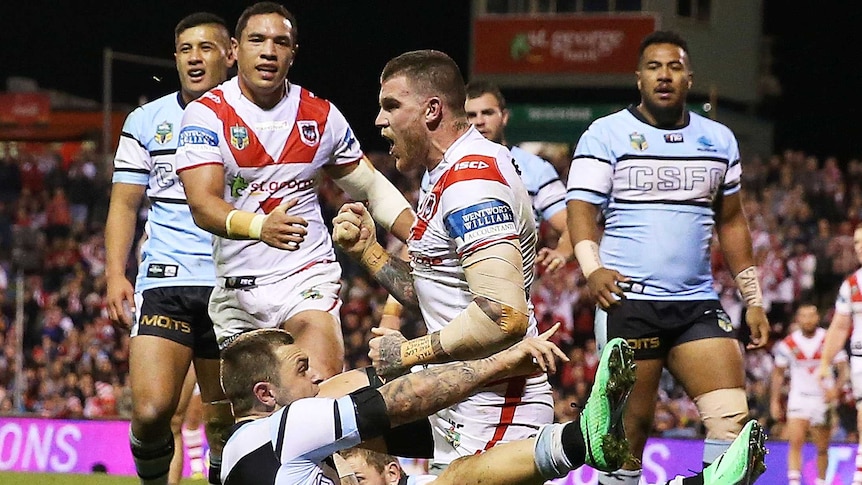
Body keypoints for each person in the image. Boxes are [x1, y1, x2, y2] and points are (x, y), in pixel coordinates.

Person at [565, 30, 771, 485]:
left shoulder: (719, 140)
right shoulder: (605, 134)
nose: (664, 75)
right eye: (654, 67)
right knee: (627, 434)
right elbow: (580, 209)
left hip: (696, 302)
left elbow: (733, 221)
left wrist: (752, 298)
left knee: (733, 424)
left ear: (689, 78)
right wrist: (592, 268)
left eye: (674, 67)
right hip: (628, 303)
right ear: (638, 79)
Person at [332, 49, 552, 470]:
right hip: (460, 399)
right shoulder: (442, 174)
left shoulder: (472, 182)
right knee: (322, 416)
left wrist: (409, 352)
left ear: (432, 110)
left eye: (391, 106)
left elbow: (504, 315)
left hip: (497, 408)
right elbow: (442, 292)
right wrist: (370, 253)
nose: (380, 120)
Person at [175, 2, 414, 379]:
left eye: (280, 42)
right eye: (257, 40)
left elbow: (372, 188)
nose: (268, 51)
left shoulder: (320, 115)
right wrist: (259, 228)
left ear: (293, 53)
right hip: (237, 294)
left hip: (305, 279)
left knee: (315, 393)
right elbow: (203, 205)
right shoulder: (206, 115)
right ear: (235, 51)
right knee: (249, 426)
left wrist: (422, 236)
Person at [218, 328, 766, 485]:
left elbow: (364, 381)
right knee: (460, 480)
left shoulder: (240, 457)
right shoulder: (287, 427)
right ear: (266, 394)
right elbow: (398, 400)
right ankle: (582, 440)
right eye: (301, 371)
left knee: (458, 476)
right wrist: (498, 365)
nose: (316, 375)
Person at [104, 12, 236, 485]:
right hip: (167, 279)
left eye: (205, 47)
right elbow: (124, 205)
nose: (194, 58)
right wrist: (115, 274)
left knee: (225, 425)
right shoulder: (146, 120)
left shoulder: (252, 118)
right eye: (185, 49)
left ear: (230, 54)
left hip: (232, 285)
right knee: (153, 411)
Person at [464, 80, 572, 272]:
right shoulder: (442, 168)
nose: (479, 121)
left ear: (504, 117)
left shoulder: (536, 169)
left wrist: (562, 252)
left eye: (487, 113)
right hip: (457, 293)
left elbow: (572, 225)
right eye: (471, 115)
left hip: (515, 290)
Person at [772, 303, 848, 485]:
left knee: (822, 447)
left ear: (817, 317)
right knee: (795, 441)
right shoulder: (788, 344)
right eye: (804, 316)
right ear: (797, 319)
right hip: (799, 397)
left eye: (811, 315)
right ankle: (794, 482)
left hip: (822, 400)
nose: (808, 320)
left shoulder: (829, 339)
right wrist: (775, 401)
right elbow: (778, 374)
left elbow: (844, 370)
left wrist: (836, 390)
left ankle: (821, 481)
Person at [819, 225, 862, 485]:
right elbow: (839, 326)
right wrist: (825, 362)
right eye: (856, 242)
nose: (859, 246)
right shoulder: (852, 285)